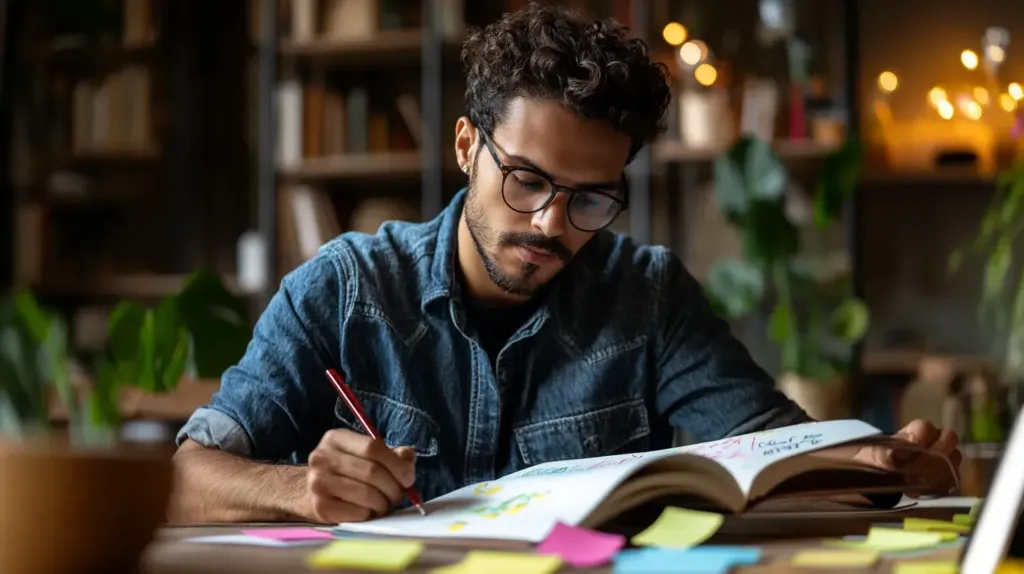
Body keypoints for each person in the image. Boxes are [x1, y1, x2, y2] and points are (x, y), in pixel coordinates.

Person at [171, 4, 960, 524]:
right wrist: (298, 491)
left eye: (591, 198)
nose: (551, 223)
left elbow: (772, 455)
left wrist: (877, 461)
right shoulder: (345, 289)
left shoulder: (647, 295)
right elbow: (181, 480)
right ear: (466, 147)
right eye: (527, 181)